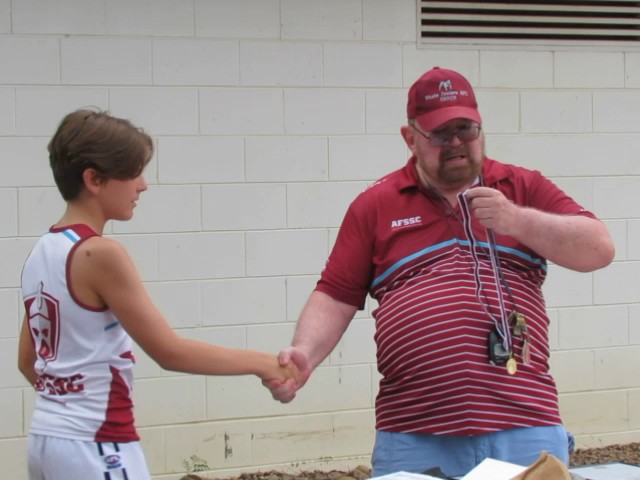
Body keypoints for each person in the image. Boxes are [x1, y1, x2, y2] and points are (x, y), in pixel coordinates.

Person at [263, 67, 615, 478]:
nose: (456, 144)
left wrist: (516, 220)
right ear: (409, 138)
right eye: (440, 134)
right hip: (413, 433)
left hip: (524, 423)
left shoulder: (520, 187)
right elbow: (336, 295)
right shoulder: (375, 204)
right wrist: (304, 354)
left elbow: (598, 248)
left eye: (466, 130)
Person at [18, 109, 299, 480]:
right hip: (98, 445)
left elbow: (28, 360)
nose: (143, 185)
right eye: (133, 172)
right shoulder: (100, 253)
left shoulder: (42, 250)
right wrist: (266, 364)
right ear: (94, 179)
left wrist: (68, 409)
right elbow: (169, 352)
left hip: (47, 439)